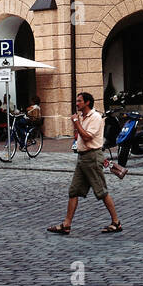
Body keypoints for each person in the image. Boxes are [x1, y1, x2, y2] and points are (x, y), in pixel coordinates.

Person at [48, 92, 121, 235]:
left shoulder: (95, 117)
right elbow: (80, 136)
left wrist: (76, 122)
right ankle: (66, 224)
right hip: (82, 158)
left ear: (87, 102)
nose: (77, 103)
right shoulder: (81, 117)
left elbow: (87, 137)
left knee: (101, 192)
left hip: (92, 157)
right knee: (73, 191)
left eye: (79, 101)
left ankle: (116, 222)